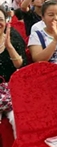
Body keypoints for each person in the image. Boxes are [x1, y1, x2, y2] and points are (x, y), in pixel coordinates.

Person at [0, 8, 27, 137]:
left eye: (0, 19)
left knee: (18, 119)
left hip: (12, 89)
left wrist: (9, 47)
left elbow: (21, 66)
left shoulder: (13, 36)